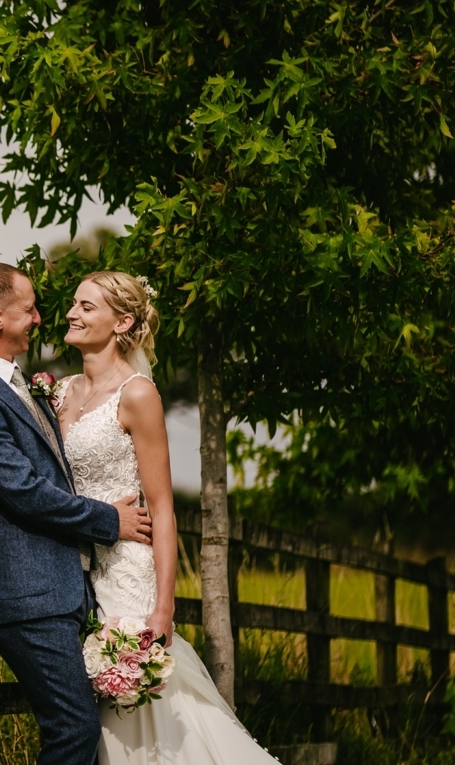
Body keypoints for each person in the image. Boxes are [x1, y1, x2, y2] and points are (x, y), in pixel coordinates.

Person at [58, 270, 280, 764]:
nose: (72, 313)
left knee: (137, 712)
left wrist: (164, 607)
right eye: (74, 304)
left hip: (125, 572)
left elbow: (160, 509)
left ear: (123, 321)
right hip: (72, 567)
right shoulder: (60, 393)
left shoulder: (138, 395)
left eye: (86, 307)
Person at [0, 260, 153, 765]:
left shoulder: (20, 383)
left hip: (61, 589)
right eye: (29, 310)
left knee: (83, 726)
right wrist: (109, 520)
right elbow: (24, 491)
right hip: (24, 593)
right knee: (74, 729)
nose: (40, 319)